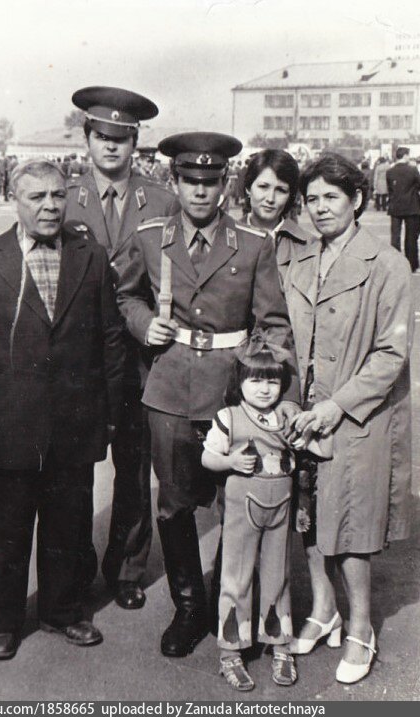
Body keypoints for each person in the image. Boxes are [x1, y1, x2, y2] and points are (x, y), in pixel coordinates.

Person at [117, 131, 299, 658]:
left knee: (236, 500)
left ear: (225, 185)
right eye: (190, 181)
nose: (200, 191)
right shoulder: (150, 237)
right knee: (174, 504)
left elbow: (273, 323)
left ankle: (231, 602)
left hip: (231, 391)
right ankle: (190, 607)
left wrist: (266, 388)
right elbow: (126, 294)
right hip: (171, 388)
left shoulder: (253, 243)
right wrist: (143, 323)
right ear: (174, 182)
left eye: (211, 181)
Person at [0, 159, 125, 659]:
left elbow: (110, 340)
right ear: (15, 201)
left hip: (75, 422)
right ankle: (0, 621)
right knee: (8, 527)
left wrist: (109, 416)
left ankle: (61, 611)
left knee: (68, 523)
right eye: (37, 197)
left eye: (58, 195)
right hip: (9, 424)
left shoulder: (91, 256)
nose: (50, 206)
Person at [284, 153, 413, 684]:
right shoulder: (299, 259)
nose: (320, 208)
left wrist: (335, 406)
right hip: (304, 409)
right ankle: (323, 609)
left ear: (357, 199)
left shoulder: (387, 264)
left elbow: (390, 354)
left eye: (331, 197)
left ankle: (360, 626)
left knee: (353, 523)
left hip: (357, 416)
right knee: (309, 512)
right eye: (311, 199)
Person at [65, 86, 178, 611]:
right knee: (72, 469)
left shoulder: (162, 200)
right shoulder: (65, 198)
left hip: (137, 355)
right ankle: (74, 568)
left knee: (133, 467)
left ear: (135, 142)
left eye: (122, 137)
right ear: (87, 139)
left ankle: (127, 568)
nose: (111, 146)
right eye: (101, 136)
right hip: (78, 356)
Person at [202, 337, 299, 690]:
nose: (264, 388)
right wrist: (229, 461)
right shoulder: (229, 417)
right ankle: (231, 652)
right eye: (255, 380)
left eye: (272, 380)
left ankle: (280, 645)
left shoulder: (286, 417)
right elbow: (207, 456)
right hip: (243, 510)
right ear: (239, 381)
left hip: (280, 510)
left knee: (278, 575)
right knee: (237, 577)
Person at [242, 149, 310, 283]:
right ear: (248, 188)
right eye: (263, 187)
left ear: (290, 196)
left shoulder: (310, 245)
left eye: (281, 190)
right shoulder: (222, 237)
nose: (270, 199)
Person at [386, 146, 420, 272]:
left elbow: (390, 189)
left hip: (395, 206)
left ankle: (395, 264)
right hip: (412, 206)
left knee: (395, 236)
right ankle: (412, 264)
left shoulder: (390, 171)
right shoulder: (413, 170)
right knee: (411, 237)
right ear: (405, 155)